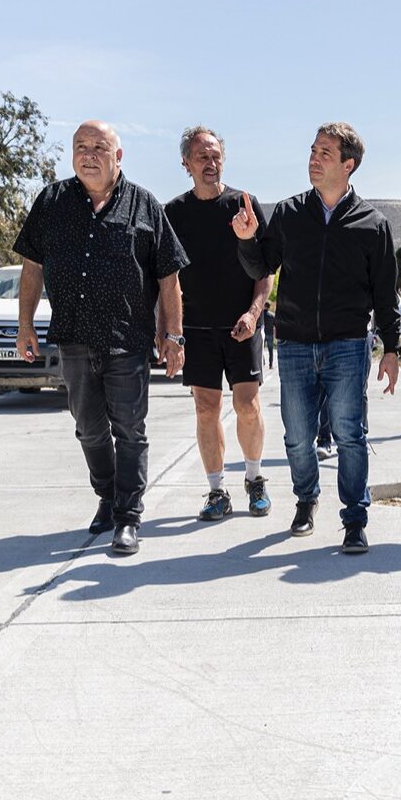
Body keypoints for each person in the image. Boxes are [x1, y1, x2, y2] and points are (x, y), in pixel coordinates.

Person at [13, 120, 188, 556]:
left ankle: (128, 516)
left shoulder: (145, 205)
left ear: (118, 156)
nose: (89, 154)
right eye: (80, 146)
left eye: (99, 147)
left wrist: (173, 337)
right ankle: (107, 496)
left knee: (130, 429)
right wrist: (25, 324)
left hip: (127, 339)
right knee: (88, 428)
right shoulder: (52, 201)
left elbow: (169, 278)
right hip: (73, 336)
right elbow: (33, 267)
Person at [233, 122, 401, 555]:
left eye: (325, 152)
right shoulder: (289, 214)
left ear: (349, 164)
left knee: (349, 434)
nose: (314, 158)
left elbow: (385, 295)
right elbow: (260, 269)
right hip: (293, 343)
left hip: (348, 345)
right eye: (312, 150)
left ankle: (355, 519)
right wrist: (249, 240)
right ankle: (306, 500)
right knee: (297, 436)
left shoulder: (373, 224)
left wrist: (392, 349)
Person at [164, 126, 272, 522]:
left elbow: (265, 272)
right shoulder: (173, 214)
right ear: (186, 164)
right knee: (206, 410)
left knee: (246, 405)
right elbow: (167, 278)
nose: (210, 164)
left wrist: (254, 313)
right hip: (196, 329)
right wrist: (170, 333)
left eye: (215, 156)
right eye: (201, 157)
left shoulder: (245, 205)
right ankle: (216, 491)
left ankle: (256, 480)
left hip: (241, 325)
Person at [262, 303, 275, 369]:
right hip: (270, 334)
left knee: (261, 350)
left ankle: (262, 363)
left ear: (264, 306)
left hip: (262, 334)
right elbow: (275, 325)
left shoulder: (261, 315)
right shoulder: (272, 315)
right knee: (270, 350)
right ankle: (271, 365)